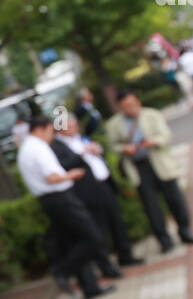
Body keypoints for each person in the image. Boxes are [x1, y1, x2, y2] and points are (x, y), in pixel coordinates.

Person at [16, 116, 118, 299]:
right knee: (92, 236)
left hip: (50, 200)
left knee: (74, 241)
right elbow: (52, 177)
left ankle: (90, 287)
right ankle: (63, 270)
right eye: (50, 132)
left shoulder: (26, 148)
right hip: (60, 198)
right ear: (43, 128)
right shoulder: (38, 148)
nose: (51, 136)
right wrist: (70, 175)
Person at [105, 90, 193, 254]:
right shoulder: (114, 125)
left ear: (138, 102)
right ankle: (164, 240)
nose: (131, 108)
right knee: (151, 206)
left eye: (133, 104)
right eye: (126, 106)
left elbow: (166, 135)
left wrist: (152, 142)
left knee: (175, 200)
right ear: (120, 107)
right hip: (138, 167)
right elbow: (113, 145)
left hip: (159, 162)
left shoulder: (152, 115)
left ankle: (185, 231)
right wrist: (125, 149)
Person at [54, 114, 144, 267]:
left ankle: (125, 255)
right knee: (99, 227)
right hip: (88, 190)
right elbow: (64, 165)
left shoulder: (80, 138)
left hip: (104, 183)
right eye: (71, 126)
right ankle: (105, 265)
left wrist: (96, 149)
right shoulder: (58, 146)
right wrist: (83, 153)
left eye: (75, 125)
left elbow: (95, 154)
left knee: (116, 220)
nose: (75, 128)